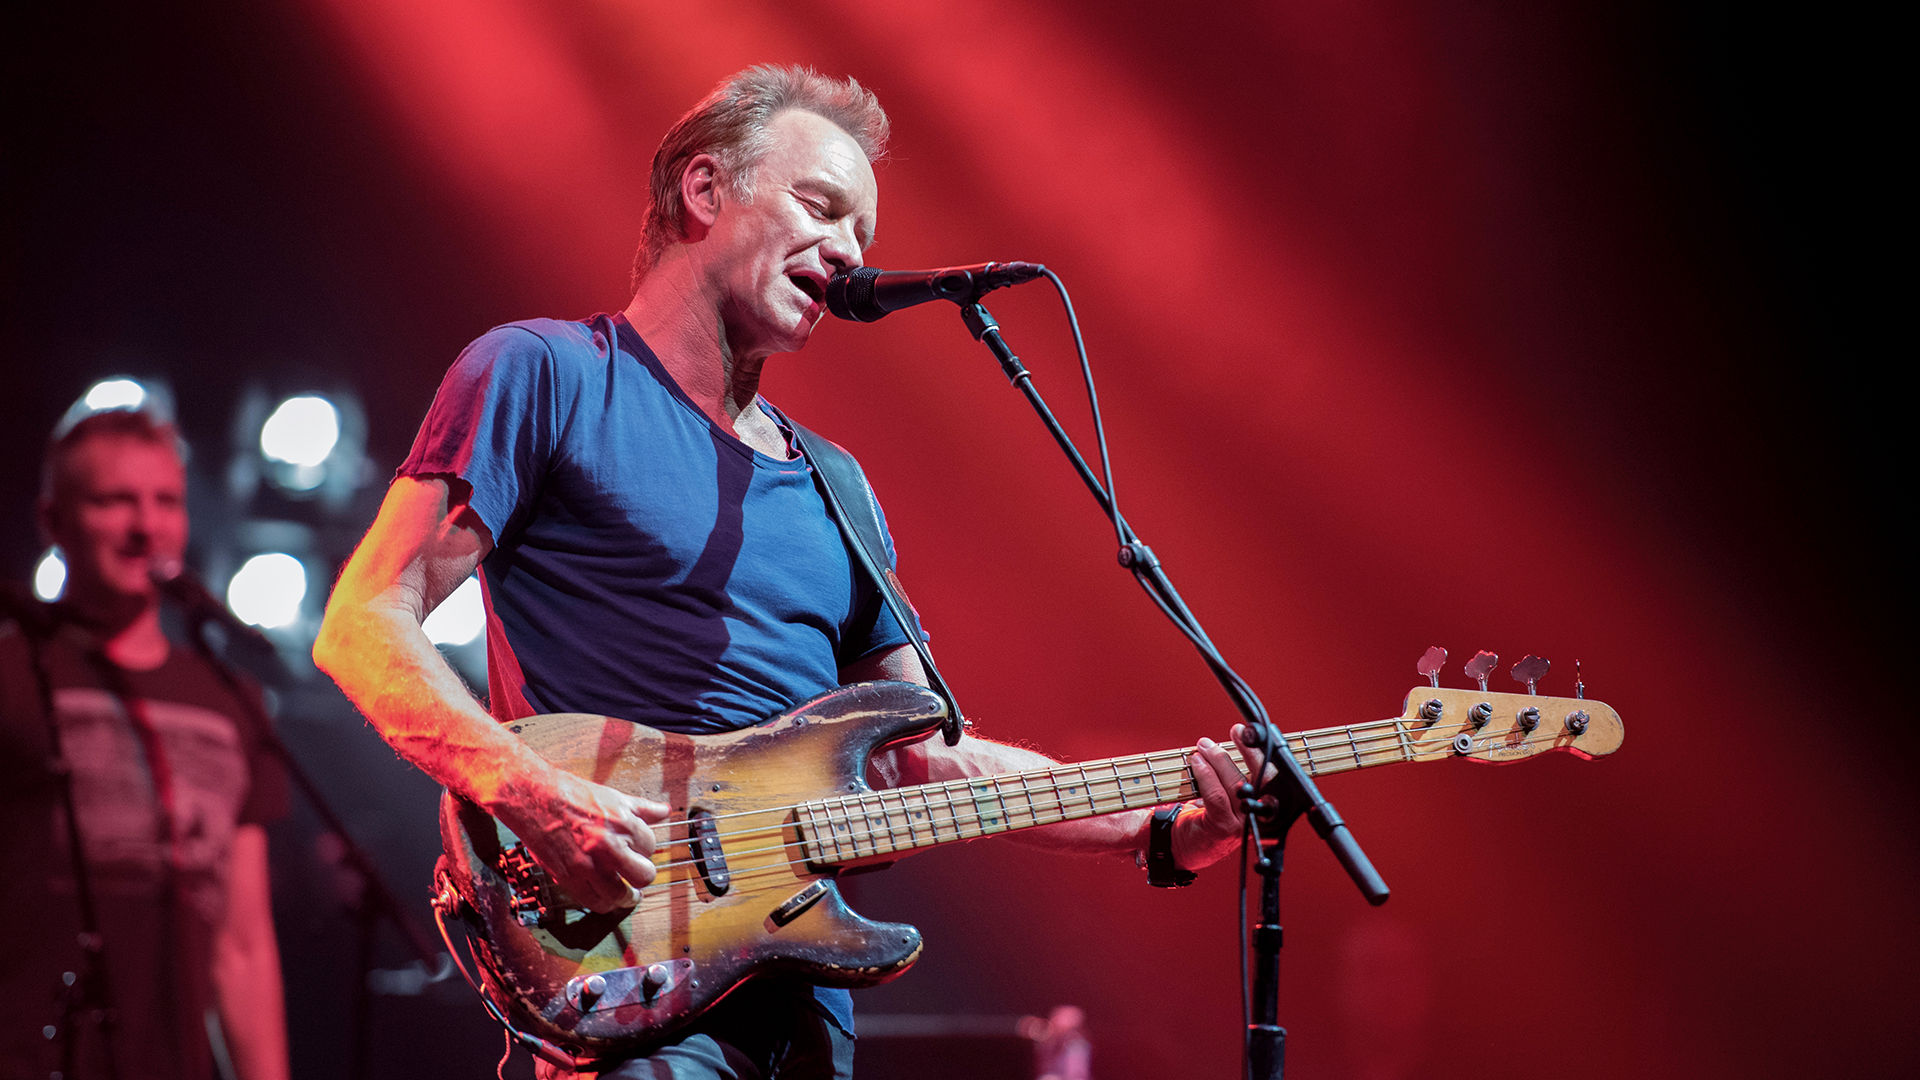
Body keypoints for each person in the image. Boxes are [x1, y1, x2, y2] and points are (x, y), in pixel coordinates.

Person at [313, 64, 1263, 1080]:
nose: (851, 251)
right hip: (624, 965)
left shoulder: (835, 487)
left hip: (800, 1005)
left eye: (864, 231)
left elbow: (919, 759)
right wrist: (529, 791)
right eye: (821, 207)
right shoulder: (547, 373)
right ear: (705, 189)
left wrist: (1163, 829)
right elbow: (363, 620)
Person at [0, 408, 290, 1080]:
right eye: (115, 500)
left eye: (167, 501)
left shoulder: (231, 701)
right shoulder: (12, 674)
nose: (146, 525)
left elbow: (243, 947)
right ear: (53, 521)